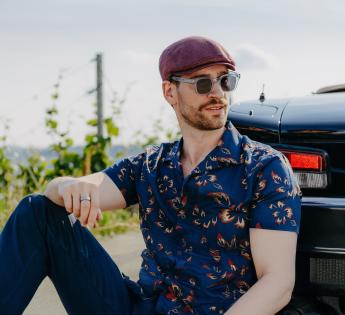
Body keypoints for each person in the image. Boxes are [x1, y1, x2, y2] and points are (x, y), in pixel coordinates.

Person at [0, 36, 301, 315]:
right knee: (36, 211)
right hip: (139, 307)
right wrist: (64, 185)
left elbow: (277, 283)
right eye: (202, 83)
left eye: (226, 81)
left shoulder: (263, 167)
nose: (217, 93)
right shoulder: (152, 163)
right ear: (170, 92)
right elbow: (86, 188)